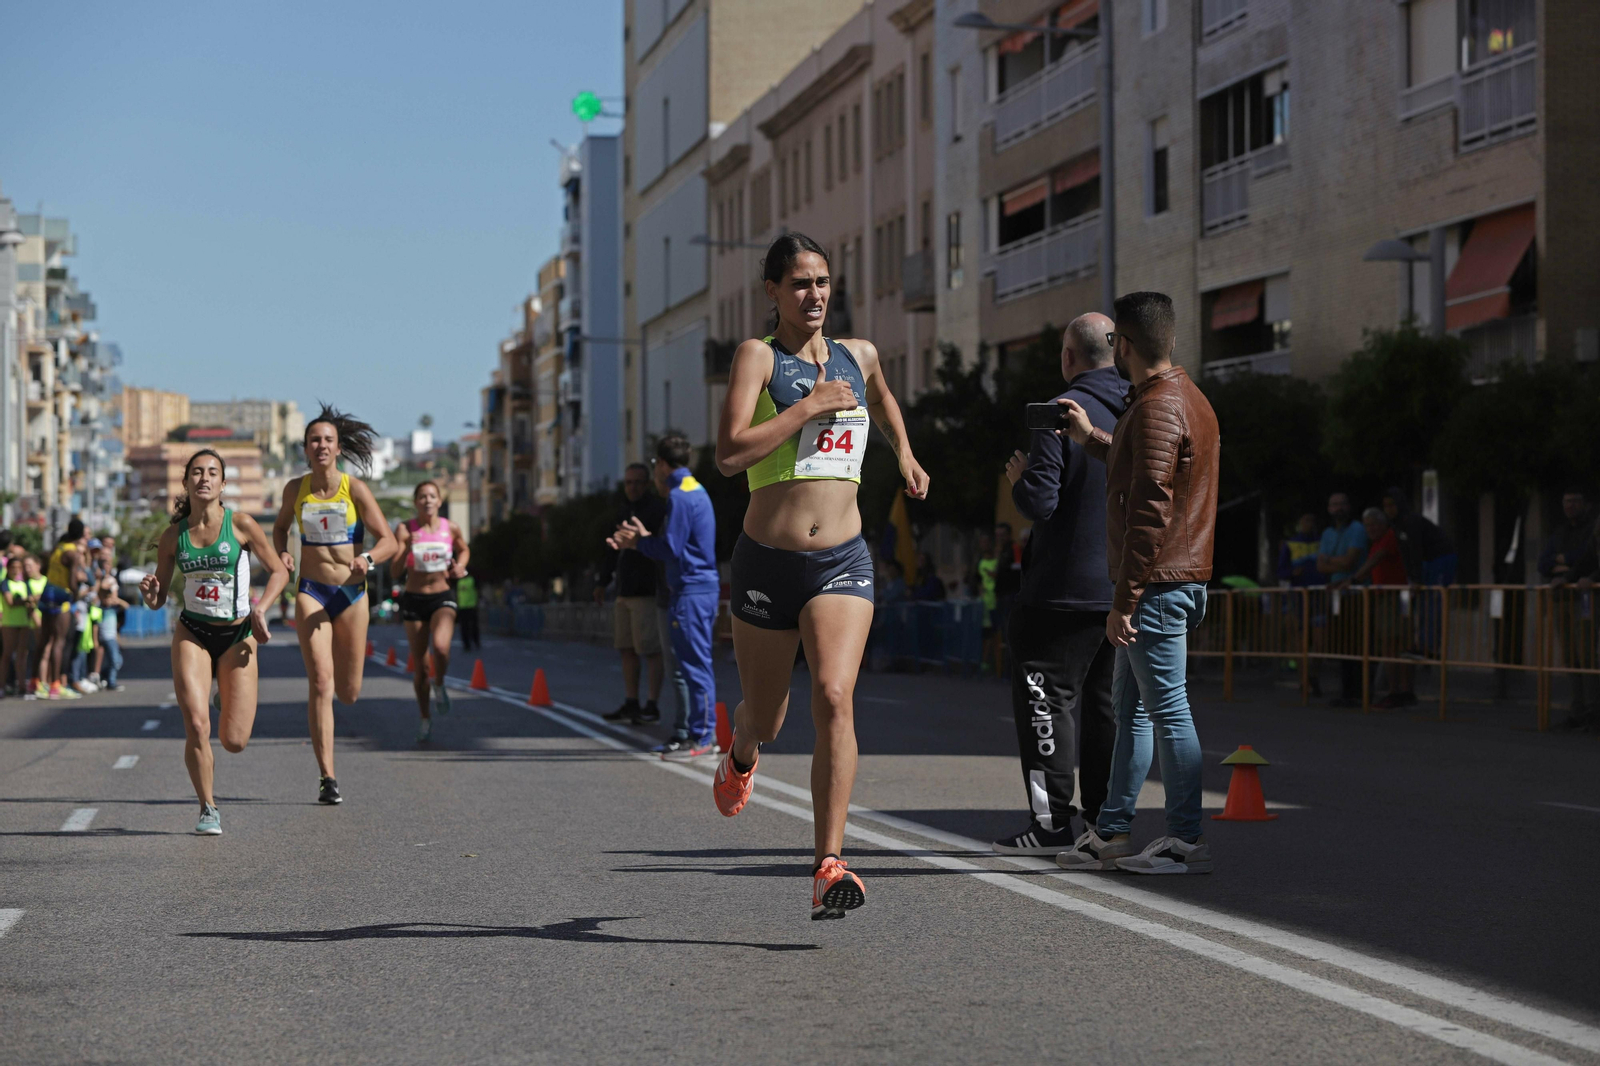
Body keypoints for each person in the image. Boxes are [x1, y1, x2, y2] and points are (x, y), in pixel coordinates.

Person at [709, 231, 929, 919]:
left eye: (823, 281)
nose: (815, 294)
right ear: (771, 292)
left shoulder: (856, 356)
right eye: (800, 283)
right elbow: (728, 453)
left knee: (835, 696)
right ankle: (741, 748)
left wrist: (908, 456)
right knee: (769, 718)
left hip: (842, 558)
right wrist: (806, 408)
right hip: (767, 562)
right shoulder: (757, 357)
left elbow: (885, 399)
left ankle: (828, 860)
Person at [1054, 291, 1220, 876]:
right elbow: (1149, 471)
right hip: (1170, 577)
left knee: (1166, 707)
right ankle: (1114, 830)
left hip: (1156, 583)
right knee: (1132, 708)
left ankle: (1185, 839)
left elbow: (1151, 508)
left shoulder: (1156, 407)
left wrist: (1124, 601)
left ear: (1122, 345)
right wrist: (1091, 439)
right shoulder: (1181, 398)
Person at [992, 313, 1127, 856]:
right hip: (1120, 588)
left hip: (1059, 592)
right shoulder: (1137, 406)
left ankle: (1050, 827)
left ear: (1069, 358)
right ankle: (1101, 821)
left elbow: (1042, 502)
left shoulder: (1060, 413)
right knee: (1104, 708)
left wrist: (1021, 479)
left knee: (1046, 702)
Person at [140, 448, 290, 834]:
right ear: (186, 481)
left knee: (235, 741)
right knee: (196, 723)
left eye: (212, 473)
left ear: (223, 484)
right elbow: (157, 601)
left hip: (238, 634)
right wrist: (150, 592)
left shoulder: (240, 524)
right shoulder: (174, 535)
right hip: (193, 632)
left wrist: (262, 609)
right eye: (196, 472)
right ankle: (207, 806)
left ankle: (224, 691)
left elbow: (278, 572)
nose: (204, 478)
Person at [272, 406, 397, 805]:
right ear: (306, 449)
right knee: (321, 683)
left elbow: (389, 540)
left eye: (327, 439)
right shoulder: (295, 489)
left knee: (349, 691)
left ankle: (331, 759)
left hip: (352, 594)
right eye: (314, 440)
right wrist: (282, 555)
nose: (321, 445)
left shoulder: (354, 489)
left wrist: (369, 560)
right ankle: (328, 776)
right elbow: (278, 529)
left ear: (338, 447)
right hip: (311, 591)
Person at [607, 434, 719, 758]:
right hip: (692, 589)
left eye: (655, 465)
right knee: (687, 666)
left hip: (691, 590)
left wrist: (637, 543)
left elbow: (671, 547)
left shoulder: (680, 496)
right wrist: (643, 537)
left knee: (695, 666)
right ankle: (692, 734)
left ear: (662, 465)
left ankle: (703, 736)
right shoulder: (692, 489)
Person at [391, 480, 470, 744]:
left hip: (442, 596)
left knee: (442, 648)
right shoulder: (406, 529)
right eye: (422, 496)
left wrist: (460, 566)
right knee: (422, 667)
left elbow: (464, 548)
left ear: (439, 501)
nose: (427, 500)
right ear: (416, 502)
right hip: (413, 599)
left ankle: (441, 683)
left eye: (432, 496)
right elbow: (394, 571)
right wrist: (406, 549)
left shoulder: (451, 528)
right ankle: (425, 718)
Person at [597, 462, 669, 725]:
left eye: (638, 482)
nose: (633, 487)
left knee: (650, 650)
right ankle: (631, 702)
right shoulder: (623, 510)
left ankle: (651, 704)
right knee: (626, 649)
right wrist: (602, 582)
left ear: (647, 484)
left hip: (647, 591)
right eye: (628, 482)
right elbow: (612, 549)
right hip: (623, 591)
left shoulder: (657, 510)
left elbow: (663, 548)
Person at [1337, 507, 1412, 706]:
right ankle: (1399, 690)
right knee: (1393, 645)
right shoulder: (1377, 542)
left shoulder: (1389, 537)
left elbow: (1374, 562)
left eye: (1373, 524)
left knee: (1394, 645)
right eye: (1367, 526)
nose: (1369, 529)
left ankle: (1398, 691)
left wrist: (1352, 579)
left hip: (1394, 597)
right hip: (1386, 597)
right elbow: (1373, 570)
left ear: (1383, 523)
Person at [1539, 489, 1595, 728]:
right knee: (1570, 657)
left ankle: (1593, 711)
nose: (1570, 506)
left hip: (1584, 597)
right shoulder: (1560, 531)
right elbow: (1543, 563)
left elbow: (1588, 556)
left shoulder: (1591, 528)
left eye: (1575, 501)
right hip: (1562, 599)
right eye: (1566, 501)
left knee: (1587, 655)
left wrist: (1562, 564)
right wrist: (1564, 563)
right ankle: (1578, 710)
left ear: (1585, 504)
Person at [1315, 492, 1369, 708]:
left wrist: (1330, 560)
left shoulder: (1357, 529)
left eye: (1342, 504)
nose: (1338, 508)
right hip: (1335, 594)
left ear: (1349, 506)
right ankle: (1346, 692)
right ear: (1328, 509)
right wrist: (1336, 561)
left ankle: (1359, 692)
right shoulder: (1327, 533)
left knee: (1356, 644)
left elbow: (1350, 562)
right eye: (1334, 505)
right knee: (1341, 644)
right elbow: (1320, 566)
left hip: (1355, 594)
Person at [38, 519, 89, 700]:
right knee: (59, 641)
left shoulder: (57, 549)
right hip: (61, 596)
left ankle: (36, 682)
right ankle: (55, 685)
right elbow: (72, 581)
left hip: (47, 592)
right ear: (81, 534)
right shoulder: (73, 553)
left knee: (44, 639)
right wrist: (75, 594)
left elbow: (44, 569)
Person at [1, 555, 36, 695]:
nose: (16, 571)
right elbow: (10, 602)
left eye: (18, 568)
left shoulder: (24, 584)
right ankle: (1, 686)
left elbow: (30, 603)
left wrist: (30, 603)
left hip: (23, 622)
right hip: (9, 623)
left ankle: (22, 686)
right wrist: (26, 601)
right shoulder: (5, 584)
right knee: (7, 654)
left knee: (22, 655)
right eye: (13, 568)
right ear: (8, 569)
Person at [93, 576, 127, 692]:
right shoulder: (100, 609)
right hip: (105, 638)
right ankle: (111, 682)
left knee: (118, 661)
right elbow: (96, 626)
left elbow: (126, 606)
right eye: (106, 598)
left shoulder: (113, 609)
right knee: (114, 660)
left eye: (109, 597)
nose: (108, 600)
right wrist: (96, 640)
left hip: (112, 637)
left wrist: (116, 599)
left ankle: (103, 675)